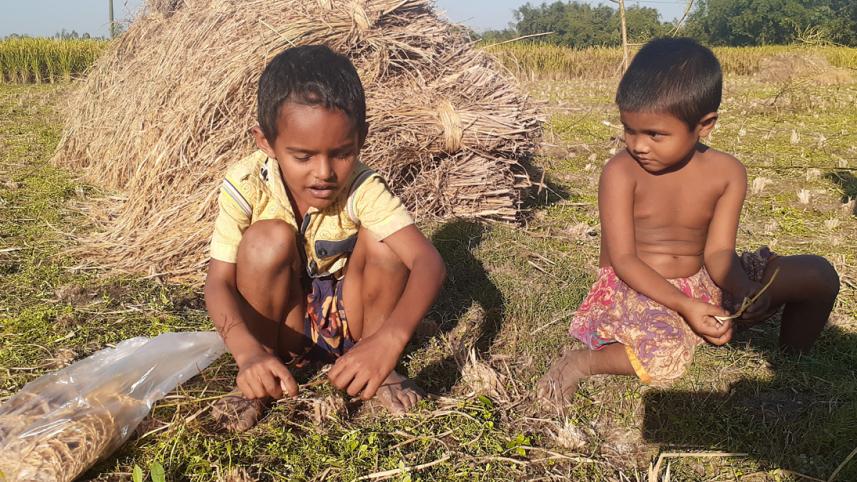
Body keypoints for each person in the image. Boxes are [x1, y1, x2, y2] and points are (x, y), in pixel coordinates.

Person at [537, 38, 840, 407]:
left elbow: (718, 252)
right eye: (628, 129)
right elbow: (624, 261)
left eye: (655, 134)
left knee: (817, 273)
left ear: (705, 124)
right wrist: (684, 305)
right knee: (664, 353)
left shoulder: (727, 173)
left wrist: (743, 287)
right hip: (639, 287)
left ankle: (792, 362)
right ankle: (580, 362)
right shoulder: (621, 172)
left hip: (705, 280)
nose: (638, 145)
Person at [204, 45, 446, 431]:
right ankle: (263, 376)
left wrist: (389, 340)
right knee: (266, 240)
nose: (324, 173)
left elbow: (428, 262)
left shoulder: (364, 188)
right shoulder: (247, 183)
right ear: (265, 142)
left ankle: (377, 367)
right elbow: (217, 282)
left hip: (355, 325)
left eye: (342, 154)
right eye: (302, 156)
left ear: (361, 137)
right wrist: (247, 353)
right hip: (287, 327)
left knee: (385, 241)